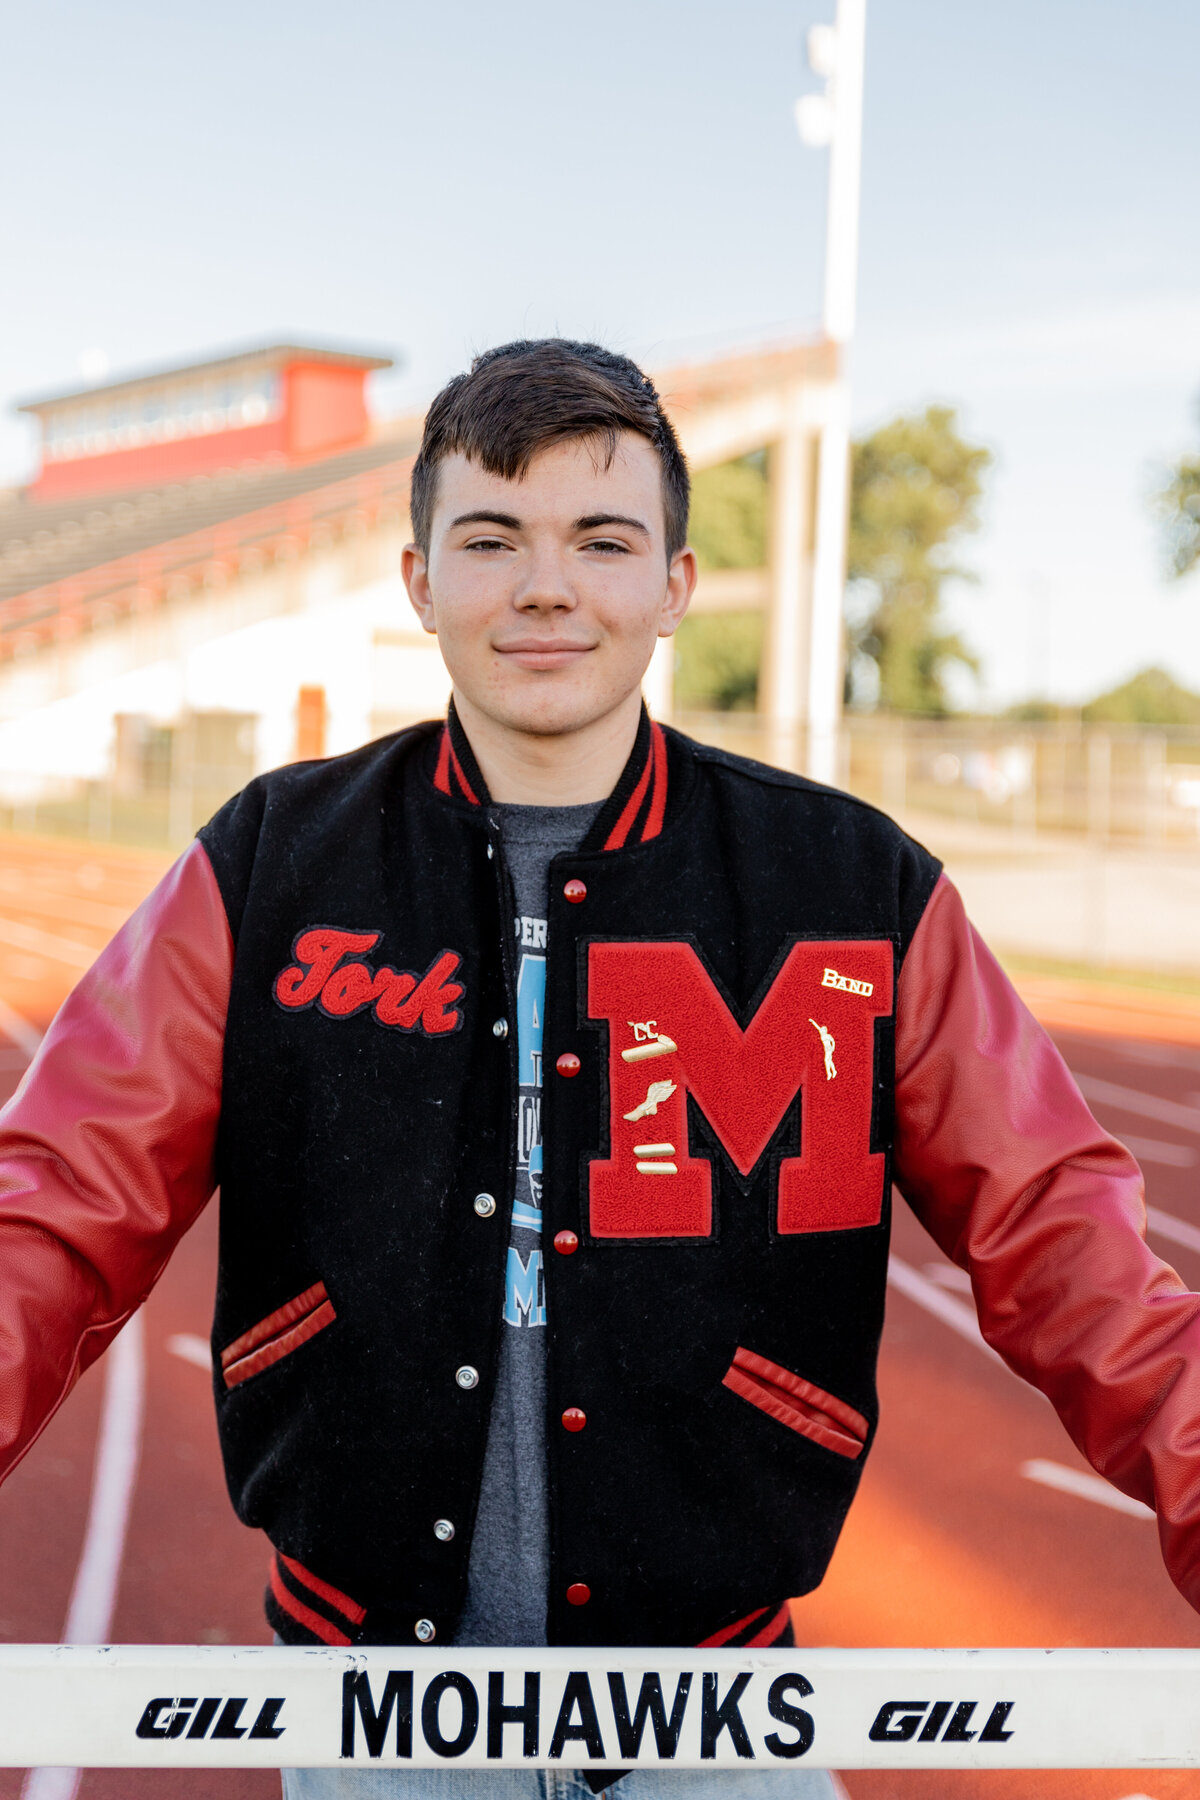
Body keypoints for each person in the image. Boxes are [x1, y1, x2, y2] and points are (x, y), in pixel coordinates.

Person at [2, 339, 1200, 1800]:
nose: (546, 586)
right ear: (418, 581)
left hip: (721, 1708)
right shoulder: (270, 865)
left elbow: (1067, 1244)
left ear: (676, 585)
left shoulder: (849, 885)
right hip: (371, 1710)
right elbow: (60, 1206)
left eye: (602, 540)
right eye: (491, 539)